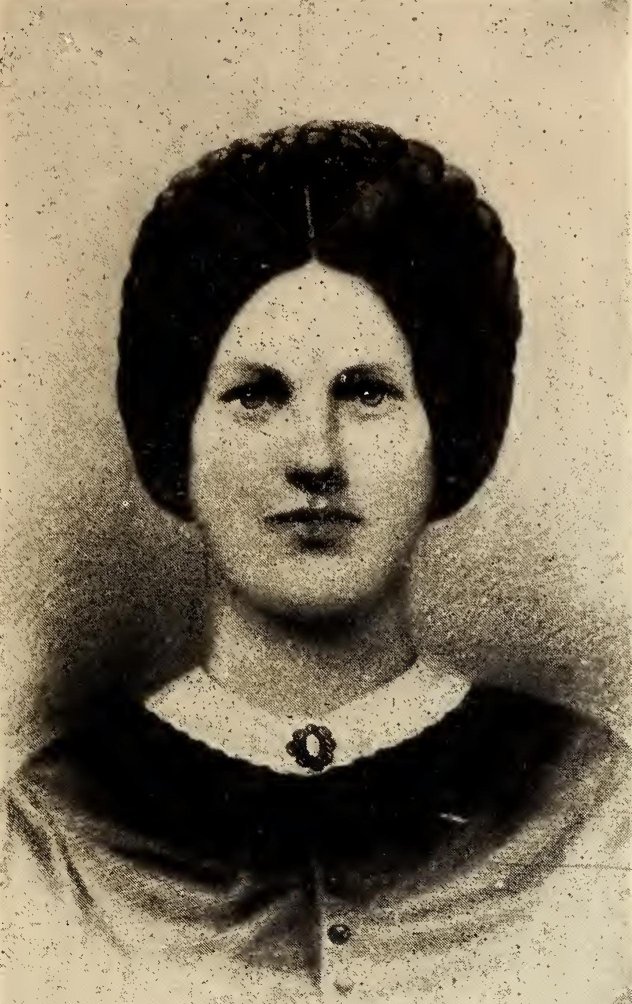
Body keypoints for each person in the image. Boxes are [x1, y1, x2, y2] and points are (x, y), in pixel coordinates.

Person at [3, 121, 629, 1004]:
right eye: (256, 394)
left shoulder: (585, 804)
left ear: (447, 432)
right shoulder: (58, 826)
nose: (315, 457)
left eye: (367, 392)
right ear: (178, 437)